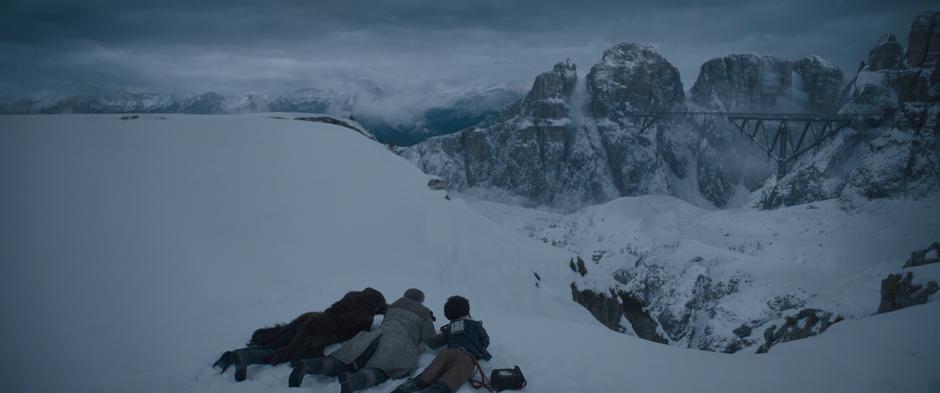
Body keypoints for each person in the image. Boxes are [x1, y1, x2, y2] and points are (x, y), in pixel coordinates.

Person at [212, 287, 388, 382]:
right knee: (286, 352)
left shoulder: (351, 297)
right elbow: (359, 332)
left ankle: (234, 356)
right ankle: (244, 358)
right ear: (374, 305)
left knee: (275, 342)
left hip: (311, 317)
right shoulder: (364, 315)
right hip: (319, 330)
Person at [289, 288, 438, 392]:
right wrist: (448, 335)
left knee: (344, 361)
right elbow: (431, 340)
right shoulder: (424, 313)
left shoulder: (392, 307)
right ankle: (354, 381)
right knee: (382, 370)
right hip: (397, 345)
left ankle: (308, 365)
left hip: (374, 337)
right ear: (420, 301)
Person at [390, 296, 491, 393]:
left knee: (429, 374)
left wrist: (427, 323)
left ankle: (406, 387)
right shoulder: (476, 325)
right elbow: (485, 342)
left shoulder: (449, 328)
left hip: (448, 353)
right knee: (450, 380)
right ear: (467, 311)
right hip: (467, 357)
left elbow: (434, 343)